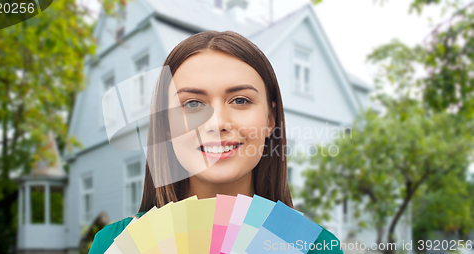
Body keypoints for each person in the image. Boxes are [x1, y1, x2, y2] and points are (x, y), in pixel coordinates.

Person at [89, 30, 344, 254]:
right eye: (192, 104)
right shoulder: (111, 244)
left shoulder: (315, 246)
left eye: (240, 100)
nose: (217, 122)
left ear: (270, 119)